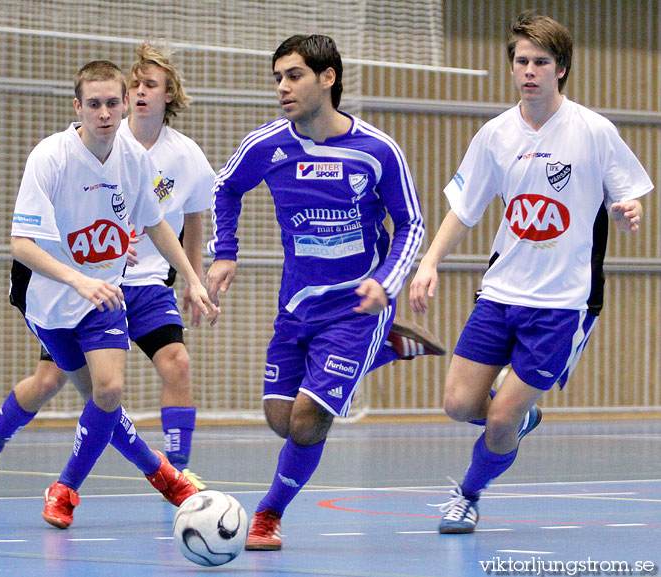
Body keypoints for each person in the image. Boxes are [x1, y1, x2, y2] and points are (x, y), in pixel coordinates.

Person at [409, 11, 653, 534]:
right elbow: (464, 208)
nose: (529, 71)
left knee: (498, 423)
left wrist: (628, 208)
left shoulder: (593, 130)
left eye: (541, 61)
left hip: (563, 304)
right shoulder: (496, 134)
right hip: (499, 294)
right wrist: (429, 262)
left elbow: (627, 188)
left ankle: (468, 493)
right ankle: (523, 416)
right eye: (521, 61)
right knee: (457, 404)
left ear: (561, 68)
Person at [0, 59, 218, 529]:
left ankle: (64, 489)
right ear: (78, 107)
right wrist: (77, 278)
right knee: (92, 399)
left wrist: (191, 276)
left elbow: (154, 222)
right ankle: (161, 471)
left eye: (111, 103)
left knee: (109, 390)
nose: (104, 113)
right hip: (47, 299)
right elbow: (20, 245)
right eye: (94, 104)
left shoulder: (134, 160)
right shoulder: (51, 157)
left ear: (123, 104)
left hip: (103, 294)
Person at [206, 34, 426, 551]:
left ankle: (268, 514)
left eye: (294, 75)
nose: (282, 86)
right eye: (278, 77)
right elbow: (225, 187)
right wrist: (225, 252)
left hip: (356, 307)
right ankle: (391, 348)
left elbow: (410, 222)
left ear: (328, 78)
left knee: (307, 423)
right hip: (297, 306)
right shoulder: (267, 145)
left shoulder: (376, 150)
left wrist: (387, 283)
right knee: (280, 421)